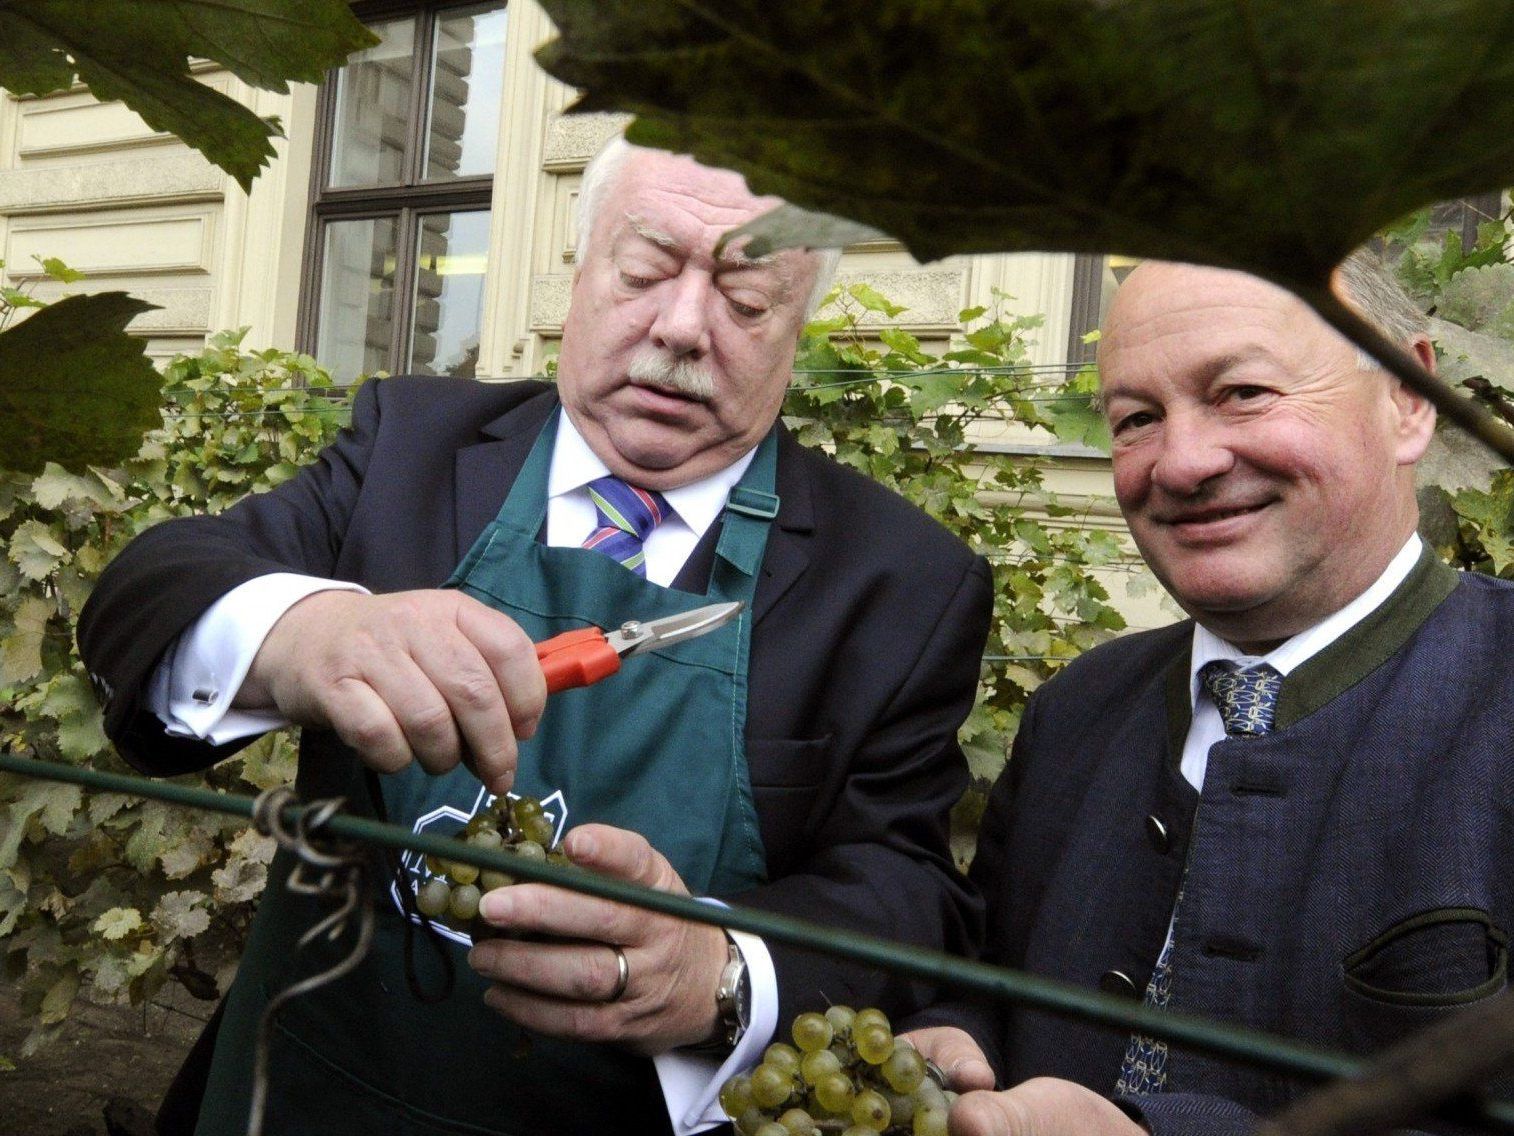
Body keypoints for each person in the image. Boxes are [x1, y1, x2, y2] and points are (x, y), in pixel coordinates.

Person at [77, 137, 992, 1136]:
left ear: (799, 323)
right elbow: (151, 585)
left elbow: (904, 886)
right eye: (643, 269)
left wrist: (725, 968)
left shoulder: (902, 580)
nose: (683, 326)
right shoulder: (406, 443)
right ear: (580, 268)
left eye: (746, 300)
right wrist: (312, 628)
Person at [905, 251, 1514, 1135]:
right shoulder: (1078, 711)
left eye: (1243, 393)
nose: (1181, 463)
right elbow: (989, 977)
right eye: (1136, 418)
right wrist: (953, 1042)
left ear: (1409, 401)